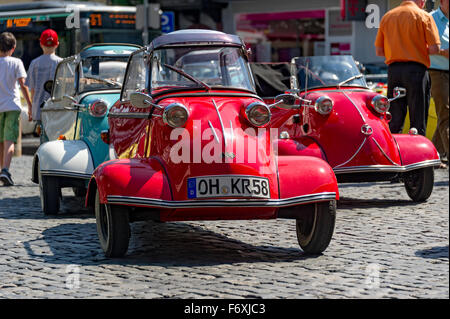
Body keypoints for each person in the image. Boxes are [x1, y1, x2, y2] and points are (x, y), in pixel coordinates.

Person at [374, 0, 444, 137]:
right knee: (418, 118)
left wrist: (398, 50)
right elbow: (435, 49)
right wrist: (415, 49)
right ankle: (418, 154)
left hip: (394, 71)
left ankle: (395, 153)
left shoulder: (388, 16)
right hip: (416, 71)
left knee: (394, 119)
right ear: (422, 1)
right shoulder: (424, 16)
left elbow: (379, 51)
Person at [0, 32, 32, 186]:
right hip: (12, 106)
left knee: (0, 141)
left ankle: (1, 169)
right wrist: (30, 105)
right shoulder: (16, 62)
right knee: (9, 140)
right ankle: (5, 170)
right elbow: (23, 85)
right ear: (13, 48)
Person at [26, 29, 62, 143]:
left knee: (43, 139)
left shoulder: (34, 63)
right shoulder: (62, 63)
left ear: (41, 44)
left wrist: (31, 108)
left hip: (40, 108)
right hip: (58, 108)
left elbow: (32, 89)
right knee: (56, 138)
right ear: (57, 44)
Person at [429, 0, 449, 168]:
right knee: (446, 113)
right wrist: (443, 52)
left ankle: (433, 153)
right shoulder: (430, 19)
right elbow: (420, 45)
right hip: (437, 72)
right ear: (441, 1)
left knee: (445, 115)